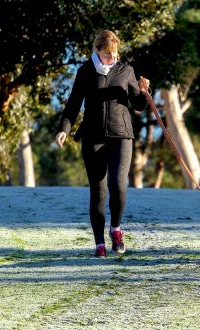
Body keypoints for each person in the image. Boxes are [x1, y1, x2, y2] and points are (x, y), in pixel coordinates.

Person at [55, 30, 150, 257]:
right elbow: (73, 103)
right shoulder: (85, 72)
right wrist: (63, 129)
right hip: (93, 138)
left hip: (121, 136)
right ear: (97, 50)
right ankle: (99, 244)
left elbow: (138, 104)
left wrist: (145, 91)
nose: (112, 58)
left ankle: (116, 230)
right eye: (107, 54)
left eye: (115, 54)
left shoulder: (126, 71)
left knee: (118, 185)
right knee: (98, 192)